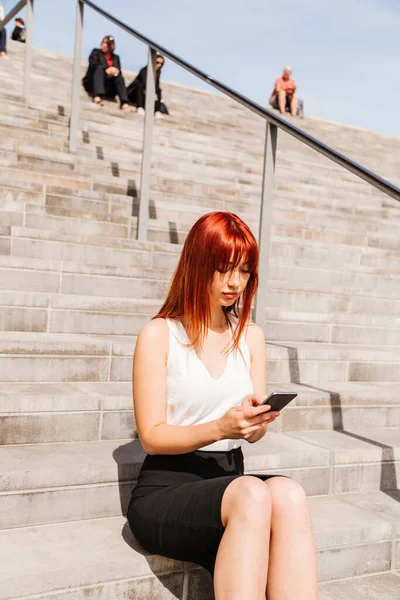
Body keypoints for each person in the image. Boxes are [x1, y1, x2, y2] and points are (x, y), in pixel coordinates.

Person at [127, 211, 318, 599]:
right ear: (198, 265)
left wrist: (255, 421)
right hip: (168, 486)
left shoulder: (251, 337)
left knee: (290, 494)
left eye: (245, 271)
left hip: (230, 477)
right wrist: (220, 428)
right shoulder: (159, 334)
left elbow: (255, 434)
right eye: (223, 268)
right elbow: (151, 437)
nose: (235, 282)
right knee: (251, 494)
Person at [82, 35, 131, 111]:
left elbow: (118, 69)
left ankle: (124, 102)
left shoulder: (116, 57)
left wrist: (115, 71)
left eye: (107, 43)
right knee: (99, 69)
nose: (104, 45)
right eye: (103, 42)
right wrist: (106, 69)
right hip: (93, 83)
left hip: (108, 86)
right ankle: (97, 96)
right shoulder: (96, 52)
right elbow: (93, 64)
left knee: (119, 77)